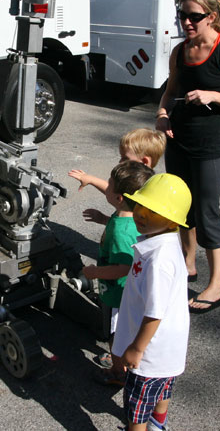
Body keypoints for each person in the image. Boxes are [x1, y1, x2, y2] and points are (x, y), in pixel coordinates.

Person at [154, 0, 220, 314]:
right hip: (177, 140)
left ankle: (216, 286)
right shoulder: (180, 52)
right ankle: (188, 263)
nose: (186, 22)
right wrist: (162, 115)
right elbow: (169, 93)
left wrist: (214, 96)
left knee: (208, 214)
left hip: (208, 145)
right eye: (182, 15)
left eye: (194, 17)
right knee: (182, 209)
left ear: (211, 16)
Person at [114, 173, 192, 431]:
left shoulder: (158, 261)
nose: (142, 214)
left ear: (172, 221)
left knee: (136, 408)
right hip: (167, 348)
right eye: (140, 205)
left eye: (153, 211)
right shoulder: (165, 242)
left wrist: (137, 348)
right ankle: (159, 423)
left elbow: (154, 312)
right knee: (162, 390)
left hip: (150, 350)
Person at [81, 160, 154, 386]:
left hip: (118, 295)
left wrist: (94, 272)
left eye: (110, 184)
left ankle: (117, 370)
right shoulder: (132, 216)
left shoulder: (121, 232)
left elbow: (123, 267)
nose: (107, 186)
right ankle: (121, 361)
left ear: (119, 197)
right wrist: (104, 219)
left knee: (116, 336)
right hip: (128, 292)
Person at [68, 128, 166, 195]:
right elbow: (115, 193)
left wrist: (91, 179)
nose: (120, 162)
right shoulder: (135, 178)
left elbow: (113, 194)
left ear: (144, 161)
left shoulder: (143, 188)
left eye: (125, 158)